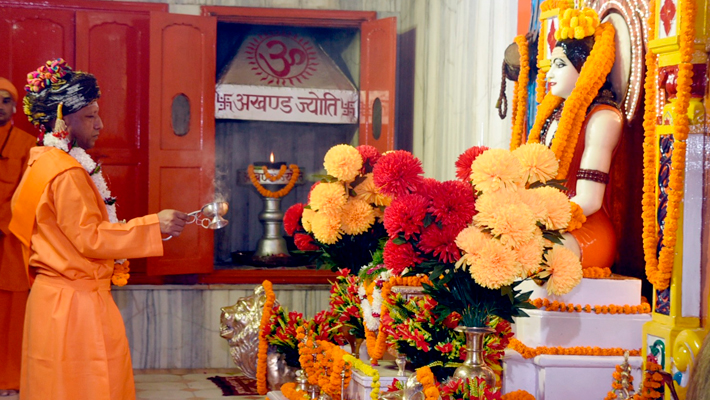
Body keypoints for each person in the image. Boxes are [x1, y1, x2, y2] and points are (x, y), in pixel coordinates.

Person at [9, 59, 189, 400]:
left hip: (49, 300)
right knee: (90, 387)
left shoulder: (40, 161)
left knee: (52, 387)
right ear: (63, 118)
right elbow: (91, 238)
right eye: (91, 116)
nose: (101, 124)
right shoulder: (66, 173)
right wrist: (155, 224)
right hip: (76, 307)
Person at [527, 7, 622, 271]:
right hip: (544, 221)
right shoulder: (553, 115)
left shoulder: (603, 119)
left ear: (587, 68)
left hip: (585, 229)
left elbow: (590, 200)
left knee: (532, 254)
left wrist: (531, 223)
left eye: (560, 65)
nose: (549, 74)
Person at [0, 77, 36, 397]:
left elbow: (29, 194)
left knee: (13, 313)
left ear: (14, 107)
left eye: (5, 100)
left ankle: (11, 380)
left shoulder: (28, 144)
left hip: (10, 239)